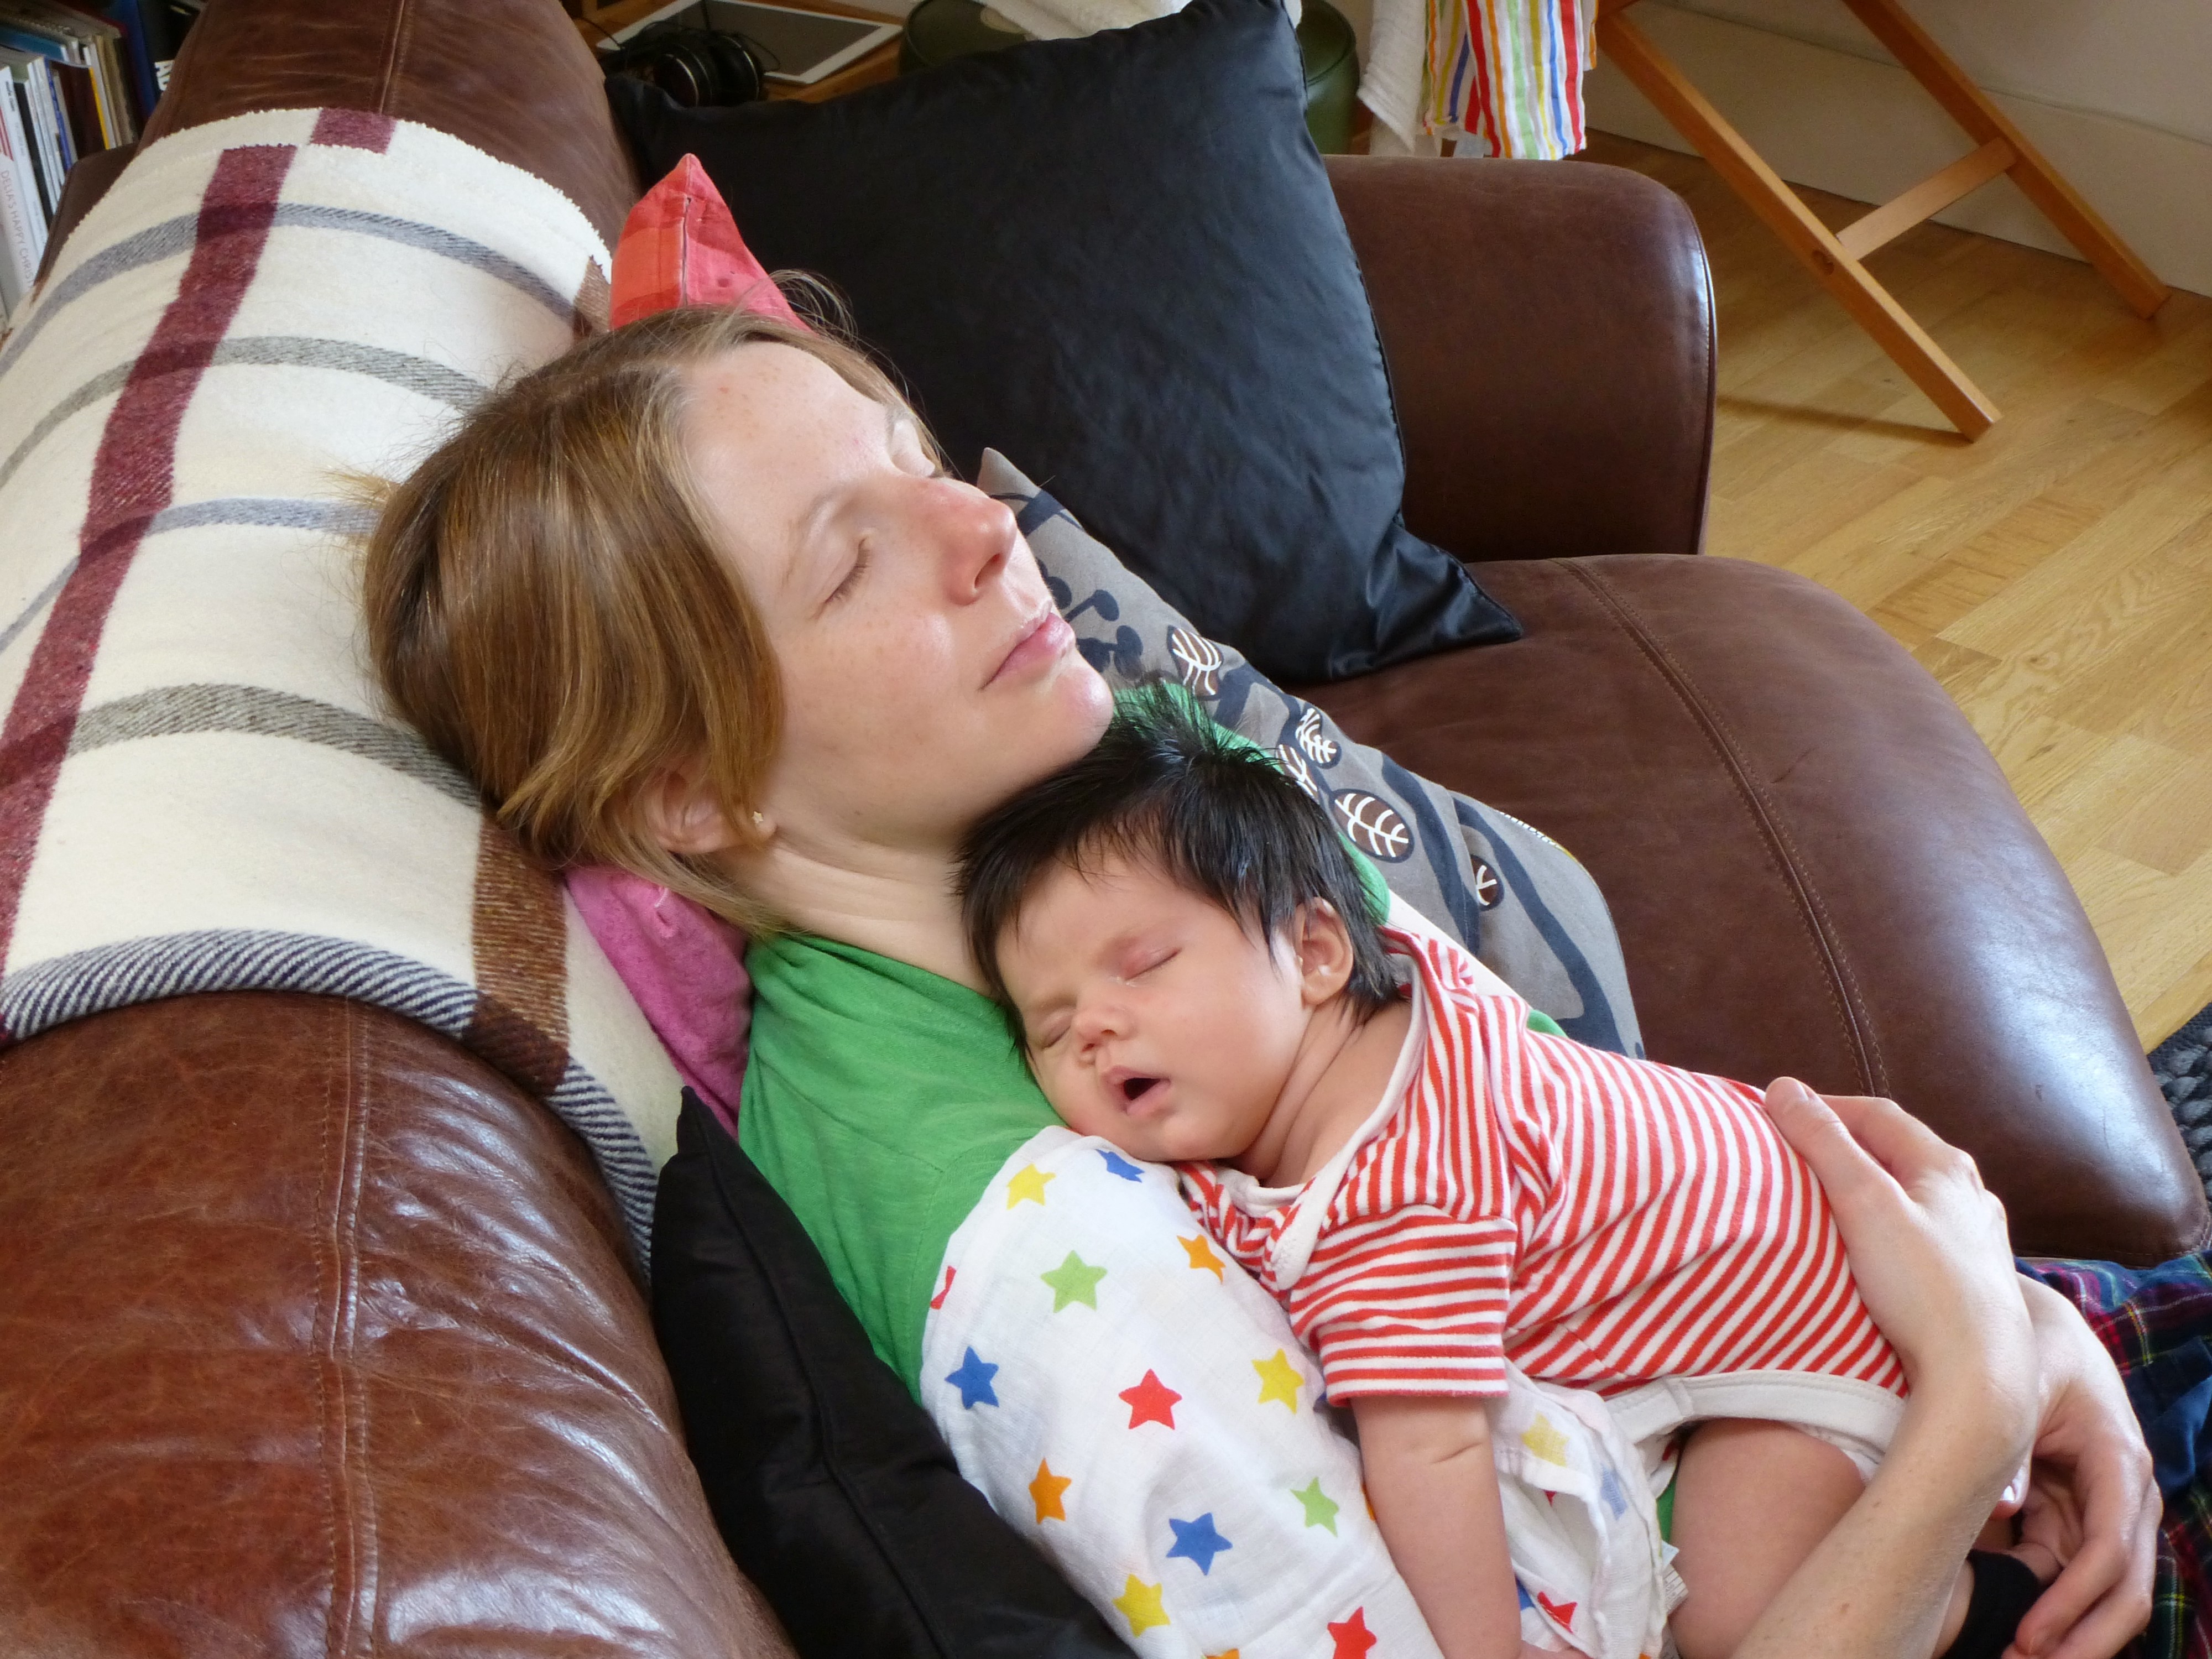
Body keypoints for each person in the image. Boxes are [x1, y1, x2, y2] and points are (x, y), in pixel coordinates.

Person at [359, 304, 2164, 1659]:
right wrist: (1969, 1411)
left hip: (1826, 1361)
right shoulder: (1033, 1243)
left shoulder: (1129, 809)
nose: (983, 525)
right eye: (853, 558)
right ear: (694, 794)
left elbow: (1540, 1122)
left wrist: (2020, 1319)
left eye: (917, 462)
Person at [956, 687, 2051, 1659]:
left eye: (1144, 965)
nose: (1094, 1028)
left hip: (1823, 1329)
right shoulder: (1396, 1023)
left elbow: (1430, 1449)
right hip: (1808, 1252)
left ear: (1318, 953)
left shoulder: (1397, 1188)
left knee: (1738, 1616)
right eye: (1050, 1028)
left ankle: (1990, 1604)